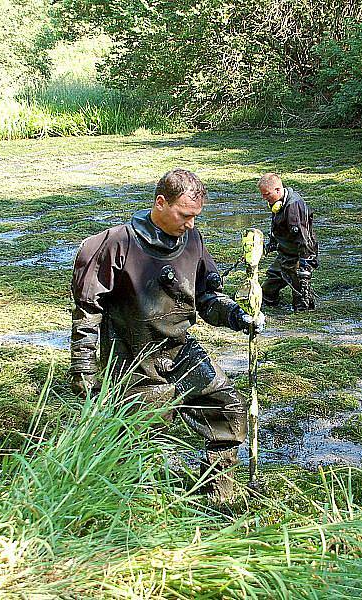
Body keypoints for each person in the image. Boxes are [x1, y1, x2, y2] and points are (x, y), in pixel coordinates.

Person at [70, 168, 265, 501]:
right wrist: (84, 369)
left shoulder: (193, 241)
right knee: (142, 434)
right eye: (184, 215)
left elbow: (206, 298)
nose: (190, 224)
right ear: (160, 203)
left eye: (195, 217)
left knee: (227, 407)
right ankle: (136, 504)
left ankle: (219, 494)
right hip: (132, 359)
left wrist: (237, 316)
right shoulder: (114, 244)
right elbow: (88, 312)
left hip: (179, 350)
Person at [258, 173, 318, 312]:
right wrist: (271, 244)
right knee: (267, 290)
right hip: (285, 252)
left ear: (278, 190)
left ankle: (303, 314)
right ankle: (270, 303)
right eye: (262, 195)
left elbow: (304, 239)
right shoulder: (277, 203)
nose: (264, 198)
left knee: (301, 300)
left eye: (266, 194)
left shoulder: (293, 206)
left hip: (298, 254)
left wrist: (305, 269)